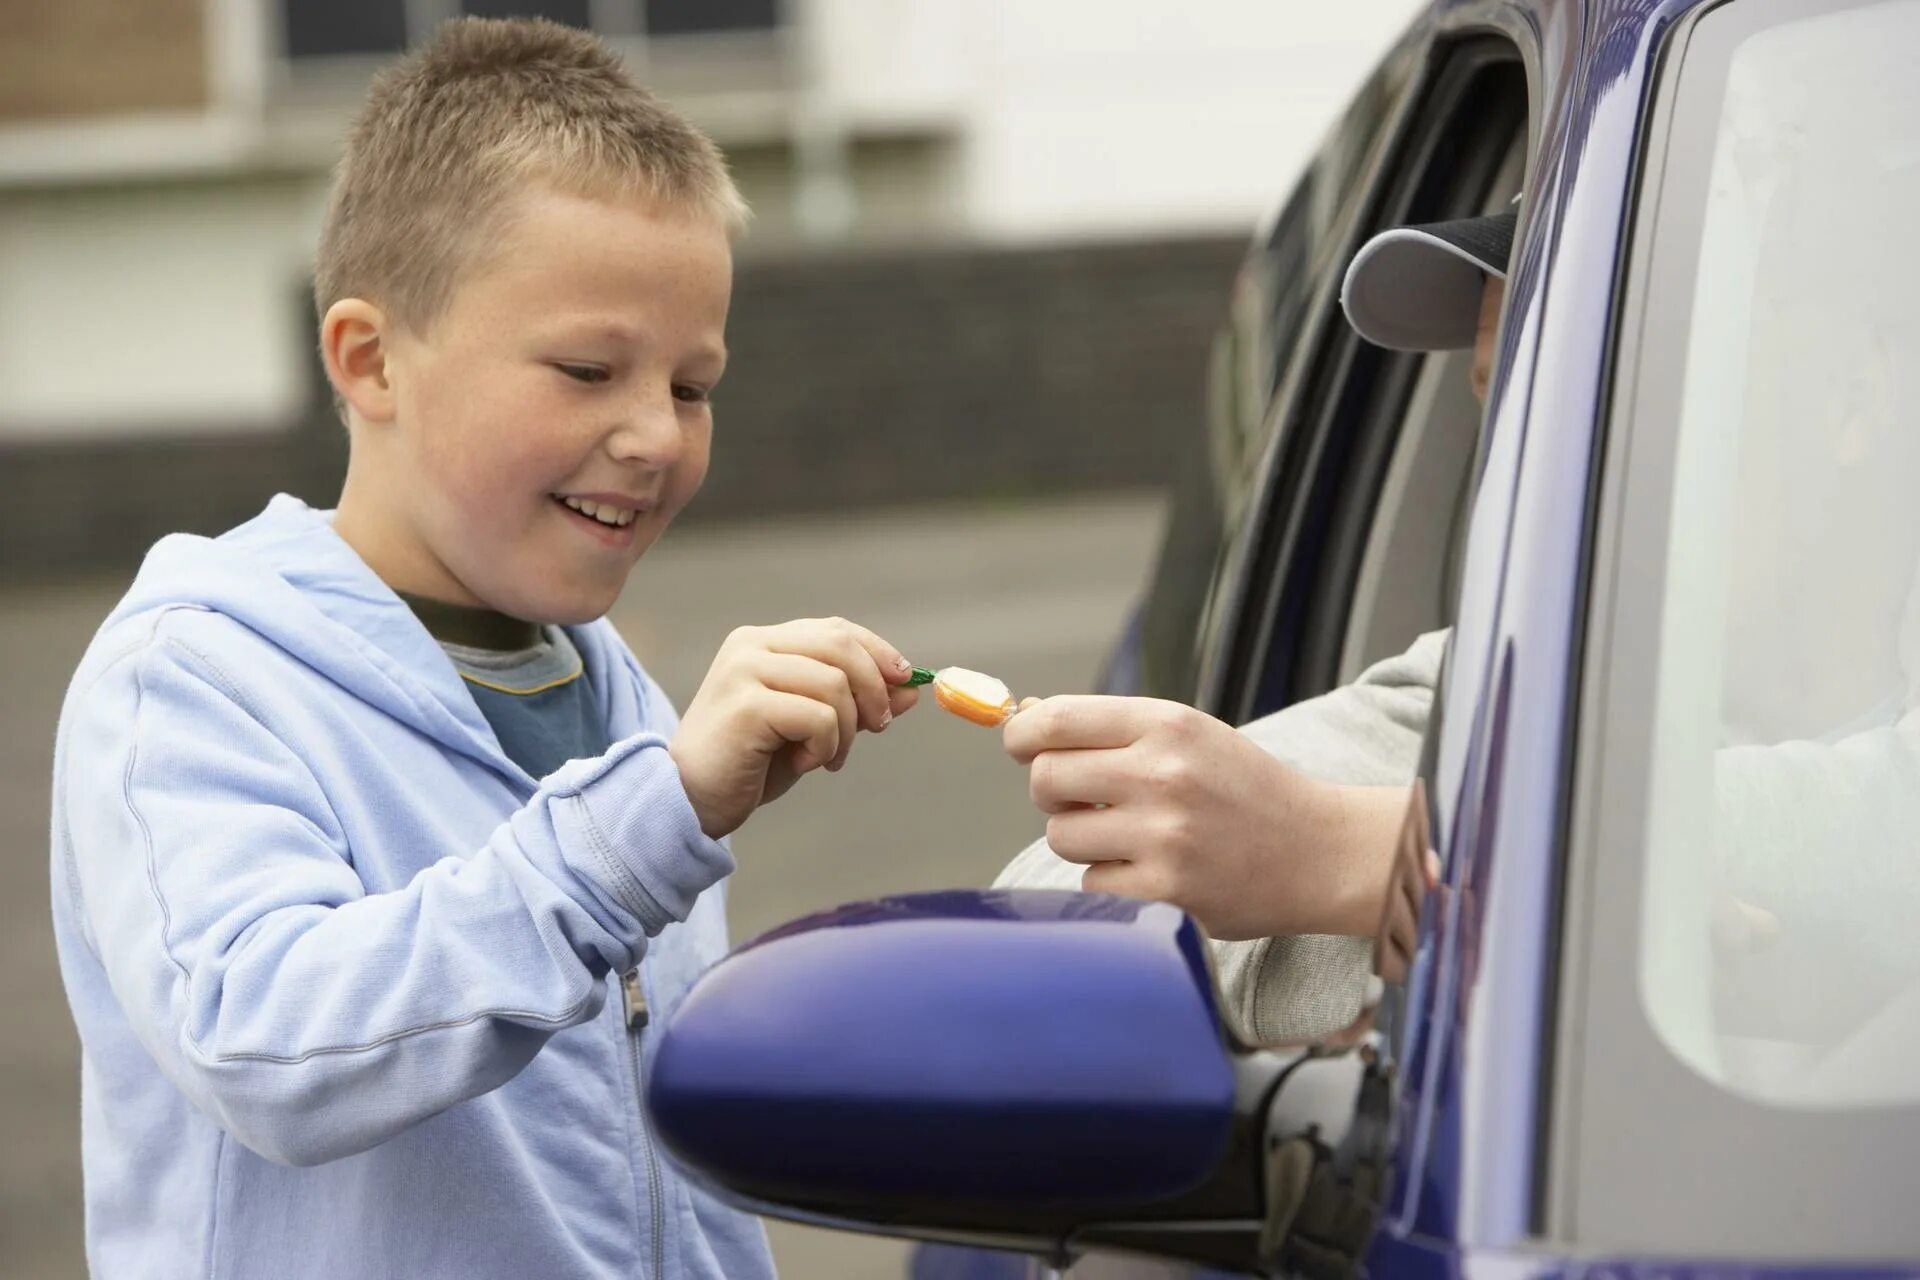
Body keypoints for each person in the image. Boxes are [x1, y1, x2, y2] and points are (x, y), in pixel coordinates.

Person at [48, 19, 919, 1279]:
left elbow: (670, 1165)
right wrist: (652, 817)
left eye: (692, 385)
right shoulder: (197, 675)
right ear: (369, 359)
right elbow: (264, 1040)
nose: (656, 437)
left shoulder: (621, 695)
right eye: (585, 368)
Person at [995, 203, 1520, 1042]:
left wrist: (1335, 850)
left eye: (1557, 404)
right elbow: (1037, 925)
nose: (1510, 458)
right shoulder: (1502, 679)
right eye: (1494, 399)